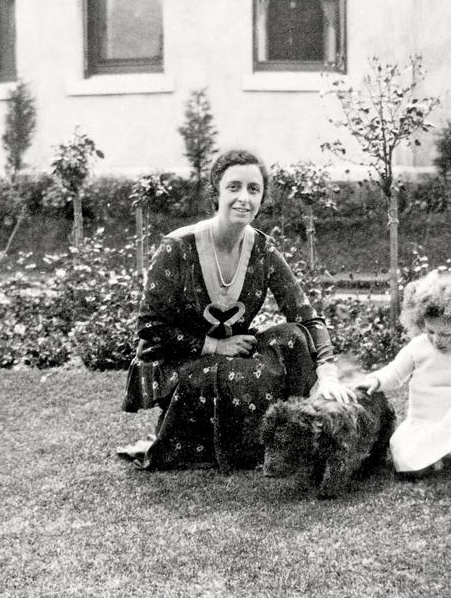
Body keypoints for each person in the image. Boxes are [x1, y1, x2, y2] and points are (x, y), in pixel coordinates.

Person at [118, 148, 354, 470]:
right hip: (178, 359)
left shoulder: (263, 249)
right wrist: (214, 345)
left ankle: (290, 437)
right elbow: (149, 326)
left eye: (253, 189)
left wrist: (327, 375)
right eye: (234, 187)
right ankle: (244, 444)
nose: (244, 198)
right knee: (238, 374)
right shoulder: (177, 247)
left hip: (233, 355)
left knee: (293, 338)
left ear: (261, 199)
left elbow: (307, 317)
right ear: (216, 192)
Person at [361, 270, 451, 486]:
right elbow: (394, 373)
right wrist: (376, 380)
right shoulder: (418, 347)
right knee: (410, 468)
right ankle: (433, 457)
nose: (436, 340)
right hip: (423, 425)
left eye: (445, 334)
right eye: (430, 331)